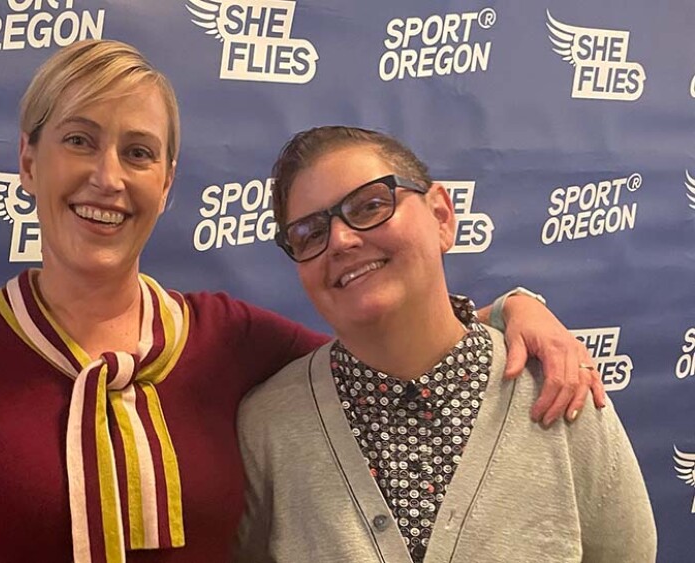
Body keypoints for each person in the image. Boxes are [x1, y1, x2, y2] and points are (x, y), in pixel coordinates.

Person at [0, 41, 605, 563]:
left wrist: (513, 312)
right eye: (80, 140)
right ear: (28, 160)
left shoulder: (225, 337)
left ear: (168, 181)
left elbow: (390, 343)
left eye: (138, 152)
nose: (108, 177)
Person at [235, 126, 655, 563]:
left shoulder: (559, 387)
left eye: (371, 205)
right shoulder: (269, 427)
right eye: (309, 233)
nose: (340, 240)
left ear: (441, 216)